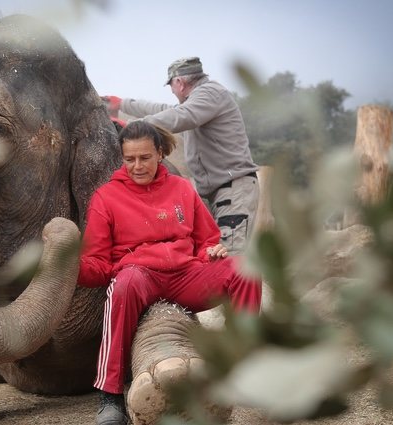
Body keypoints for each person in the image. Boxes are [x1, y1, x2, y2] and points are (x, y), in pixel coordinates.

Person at [77, 121, 262, 425]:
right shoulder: (106, 198)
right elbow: (98, 263)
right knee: (122, 285)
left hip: (186, 276)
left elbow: (207, 240)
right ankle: (110, 397)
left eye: (145, 158)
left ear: (160, 154)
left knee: (245, 270)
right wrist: (70, 267)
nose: (137, 166)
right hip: (139, 276)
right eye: (130, 159)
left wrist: (211, 252)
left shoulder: (181, 189)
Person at [103, 56, 259, 256]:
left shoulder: (211, 93)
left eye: (171, 86)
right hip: (222, 190)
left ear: (179, 82)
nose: (172, 91)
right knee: (217, 255)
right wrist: (123, 104)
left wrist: (133, 128)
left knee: (230, 256)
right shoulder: (201, 99)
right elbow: (164, 110)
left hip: (233, 189)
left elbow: (180, 116)